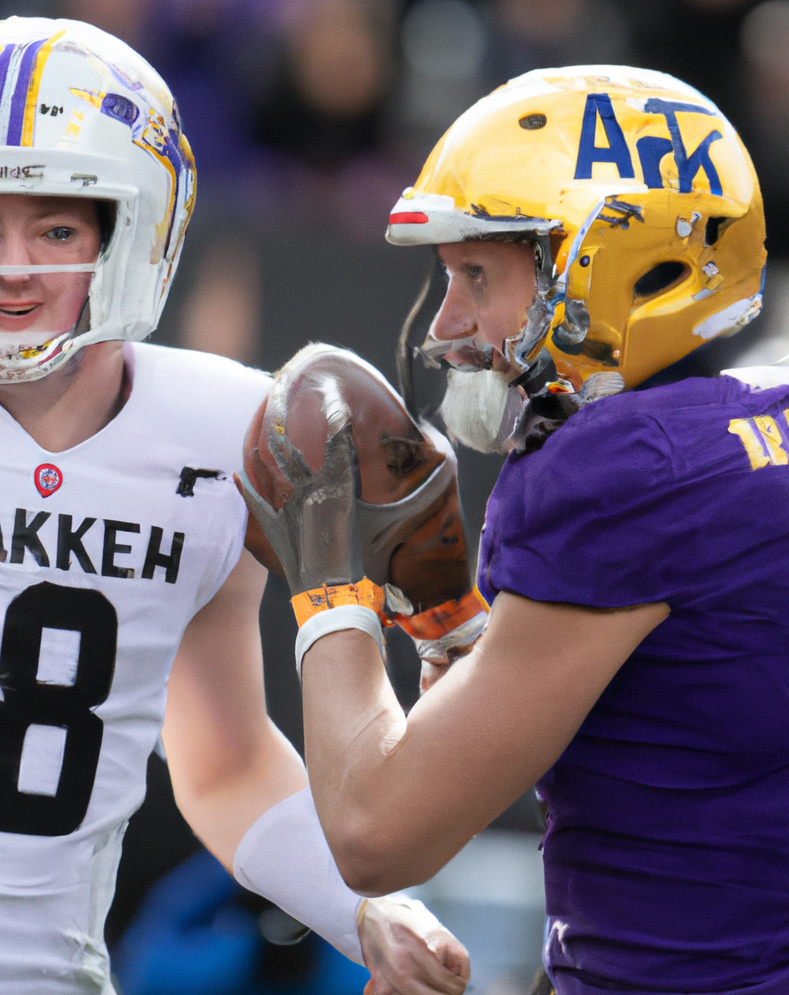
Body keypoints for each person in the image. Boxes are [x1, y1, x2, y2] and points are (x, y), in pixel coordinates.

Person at [0, 17, 471, 995]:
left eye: (56, 226)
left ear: (134, 229)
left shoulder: (220, 428)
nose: (12, 266)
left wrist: (362, 910)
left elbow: (221, 763)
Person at [240, 65, 789, 995]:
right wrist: (452, 624)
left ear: (621, 268)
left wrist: (329, 576)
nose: (448, 323)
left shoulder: (619, 475)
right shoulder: (751, 428)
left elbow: (376, 835)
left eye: (478, 275)